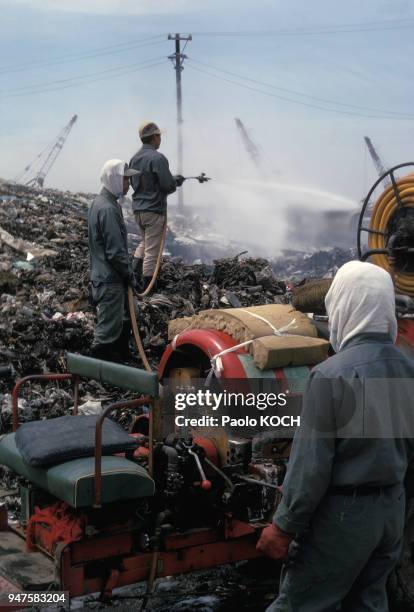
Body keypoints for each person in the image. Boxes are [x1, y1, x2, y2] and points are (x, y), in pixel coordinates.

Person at [257, 260, 414, 611]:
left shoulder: (330, 376)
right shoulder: (409, 369)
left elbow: (310, 467)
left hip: (343, 519)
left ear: (343, 306)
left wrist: (283, 527)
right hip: (391, 513)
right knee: (369, 603)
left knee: (301, 604)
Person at [88, 159, 139, 361]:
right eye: (126, 179)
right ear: (114, 179)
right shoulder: (108, 209)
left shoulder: (100, 203)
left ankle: (119, 362)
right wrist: (130, 276)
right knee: (106, 334)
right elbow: (115, 252)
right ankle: (96, 373)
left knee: (123, 320)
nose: (129, 184)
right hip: (110, 280)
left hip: (106, 277)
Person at [129, 121, 184, 290]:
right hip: (154, 211)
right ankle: (147, 288)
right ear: (154, 138)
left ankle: (134, 276)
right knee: (152, 251)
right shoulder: (158, 158)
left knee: (145, 244)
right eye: (159, 136)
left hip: (138, 210)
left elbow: (138, 182)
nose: (160, 139)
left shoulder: (134, 159)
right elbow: (167, 185)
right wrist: (175, 182)